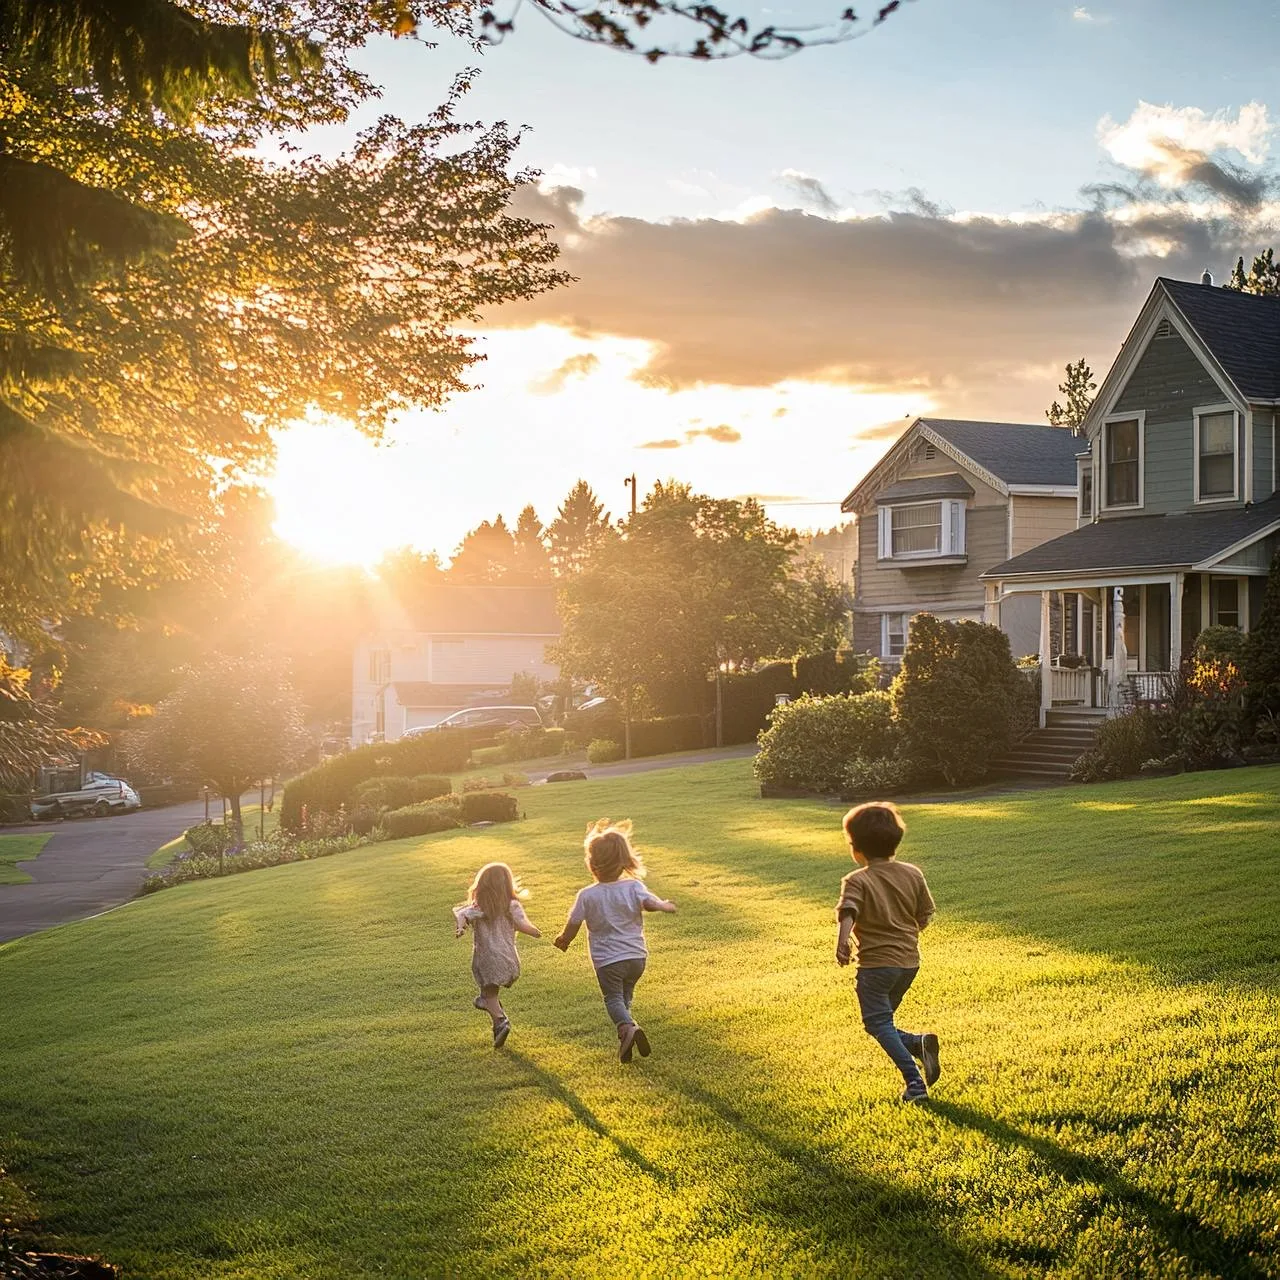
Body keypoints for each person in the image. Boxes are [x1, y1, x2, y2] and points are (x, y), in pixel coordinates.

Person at [835, 802, 940, 1103]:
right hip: (909, 964)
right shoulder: (913, 873)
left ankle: (915, 1085)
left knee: (877, 1023)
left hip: (875, 967)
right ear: (896, 840)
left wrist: (842, 943)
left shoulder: (857, 880)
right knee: (883, 1023)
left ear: (855, 848)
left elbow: (848, 911)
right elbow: (924, 916)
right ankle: (919, 1044)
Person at [553, 818, 676, 1062]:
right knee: (626, 996)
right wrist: (663, 905)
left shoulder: (587, 895)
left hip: (608, 961)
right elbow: (649, 904)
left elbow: (574, 923)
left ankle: (628, 1027)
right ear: (623, 861)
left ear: (592, 864)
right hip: (637, 958)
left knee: (613, 998)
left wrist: (564, 940)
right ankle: (626, 1036)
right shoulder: (633, 886)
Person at [454, 861, 541, 1048]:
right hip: (509, 960)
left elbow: (462, 914)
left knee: (489, 994)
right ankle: (496, 1028)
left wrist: (460, 928)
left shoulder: (478, 909)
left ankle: (500, 1020)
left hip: (486, 960)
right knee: (490, 993)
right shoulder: (512, 905)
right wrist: (535, 931)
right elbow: (522, 925)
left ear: (482, 885)